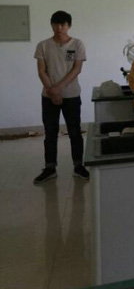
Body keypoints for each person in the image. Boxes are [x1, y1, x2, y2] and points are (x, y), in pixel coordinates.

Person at [33, 11, 89, 184]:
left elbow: (77, 69)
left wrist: (59, 88)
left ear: (69, 26)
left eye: (63, 24)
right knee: (50, 132)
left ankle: (78, 165)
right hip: (48, 96)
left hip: (71, 95)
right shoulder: (43, 45)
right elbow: (41, 71)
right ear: (51, 25)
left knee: (74, 131)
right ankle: (50, 168)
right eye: (56, 24)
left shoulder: (77, 44)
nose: (59, 28)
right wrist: (52, 91)